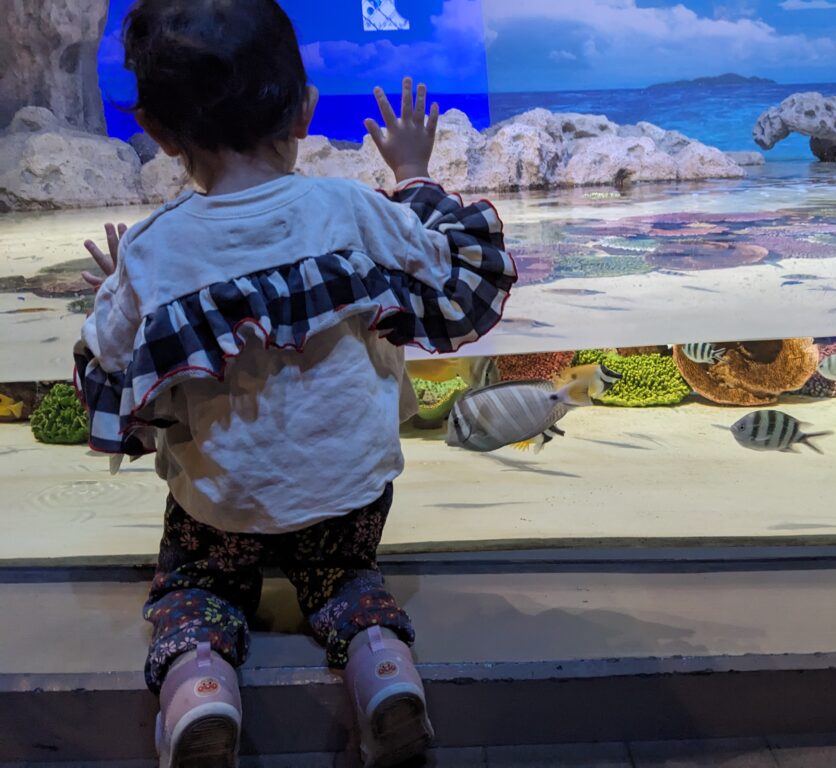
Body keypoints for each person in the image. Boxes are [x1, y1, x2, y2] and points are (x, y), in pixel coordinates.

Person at [74, 2, 515, 766]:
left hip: (223, 510)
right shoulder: (350, 209)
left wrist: (120, 287)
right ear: (306, 107)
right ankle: (382, 665)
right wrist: (412, 172)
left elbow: (105, 372)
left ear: (159, 132)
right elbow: (455, 269)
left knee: (198, 585)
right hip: (350, 495)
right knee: (344, 573)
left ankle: (199, 684)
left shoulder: (151, 253)